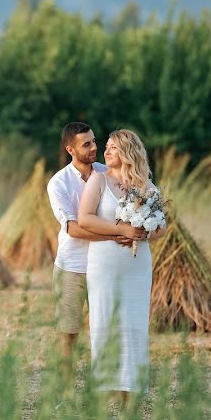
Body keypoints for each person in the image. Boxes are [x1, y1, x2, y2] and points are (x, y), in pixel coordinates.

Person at [77, 129, 166, 405]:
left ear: (128, 152)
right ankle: (105, 389)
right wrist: (124, 230)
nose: (106, 151)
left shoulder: (148, 188)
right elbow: (85, 219)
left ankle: (130, 388)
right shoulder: (99, 180)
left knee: (134, 323)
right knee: (104, 321)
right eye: (106, 147)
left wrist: (144, 232)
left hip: (136, 268)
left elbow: (161, 226)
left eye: (113, 148)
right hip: (104, 264)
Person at [46, 122, 135, 381]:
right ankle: (65, 388)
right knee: (69, 332)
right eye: (87, 144)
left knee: (109, 327)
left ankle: (110, 381)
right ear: (70, 149)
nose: (95, 147)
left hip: (106, 264)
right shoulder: (58, 184)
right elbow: (72, 228)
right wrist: (117, 234)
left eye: (95, 141)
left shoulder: (107, 172)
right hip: (72, 266)